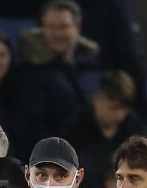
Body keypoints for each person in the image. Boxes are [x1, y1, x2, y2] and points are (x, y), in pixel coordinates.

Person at [13, 1, 99, 155]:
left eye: (64, 27)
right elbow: (30, 128)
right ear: (43, 29)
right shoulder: (30, 72)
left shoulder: (91, 66)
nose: (58, 33)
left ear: (77, 28)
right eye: (51, 27)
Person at [65, 70, 147, 188]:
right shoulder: (76, 127)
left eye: (124, 109)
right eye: (113, 108)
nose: (120, 116)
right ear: (96, 100)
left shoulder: (137, 129)